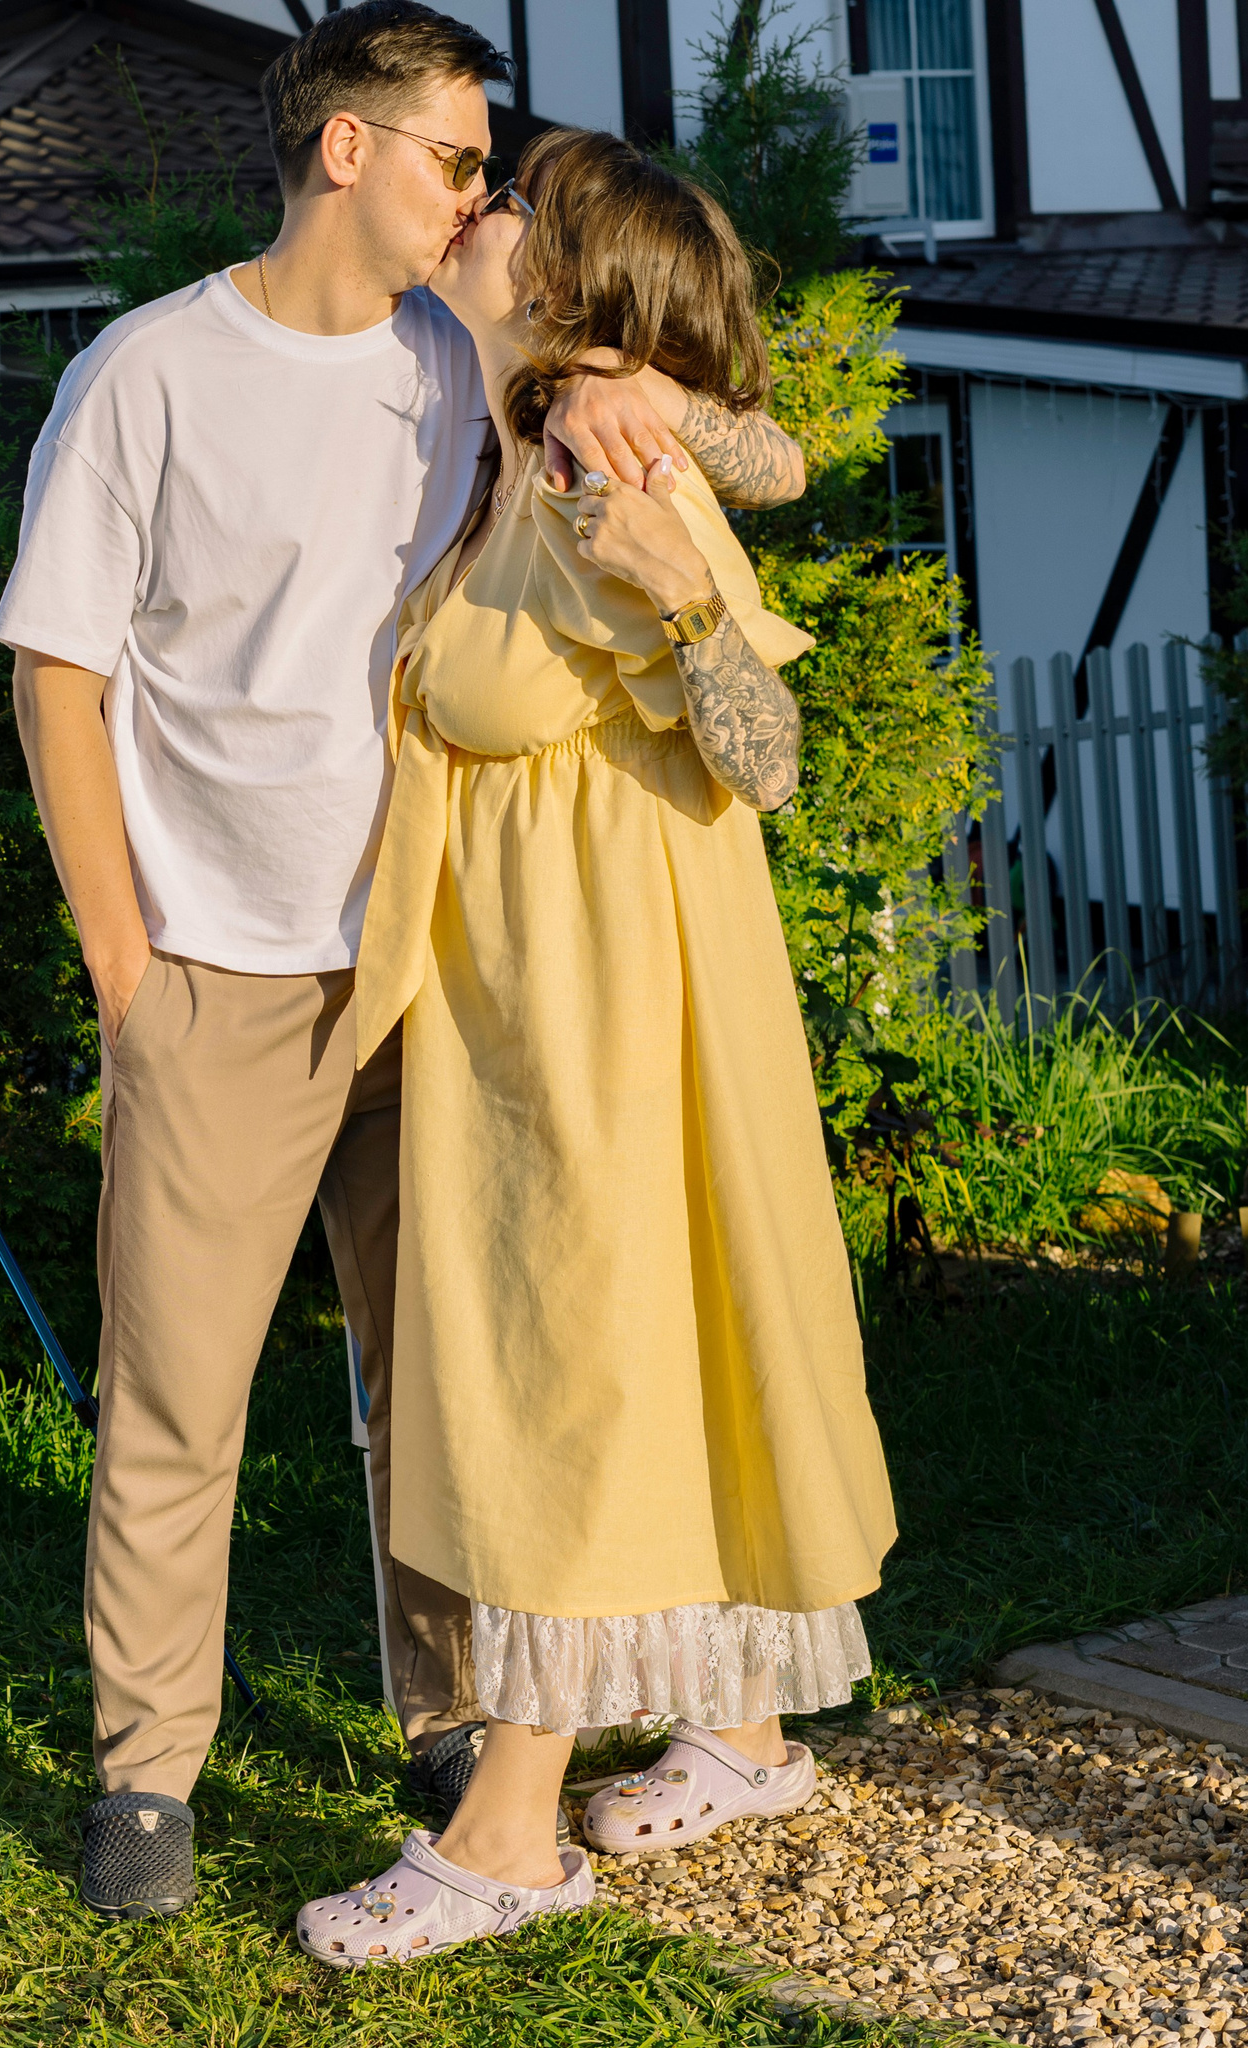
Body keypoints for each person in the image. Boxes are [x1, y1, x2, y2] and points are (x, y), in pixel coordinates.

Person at [0, 2, 809, 1922]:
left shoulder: (478, 352)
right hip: (219, 972)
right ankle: (147, 1784)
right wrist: (123, 961)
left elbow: (764, 454)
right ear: (345, 151)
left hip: (440, 968)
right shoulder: (148, 375)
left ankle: (452, 1731)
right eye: (457, 160)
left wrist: (633, 395)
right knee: (174, 1405)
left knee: (444, 1390)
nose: (478, 195)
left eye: (488, 172)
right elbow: (58, 677)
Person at [290, 128, 897, 1968]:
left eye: (519, 209)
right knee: (635, 1347)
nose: (482, 209)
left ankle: (505, 1834)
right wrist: (610, 397)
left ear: (567, 290)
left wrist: (684, 571)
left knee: (572, 1363)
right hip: (539, 983)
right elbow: (770, 438)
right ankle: (747, 1730)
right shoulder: (524, 430)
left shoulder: (598, 467)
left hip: (611, 994)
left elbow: (768, 755)